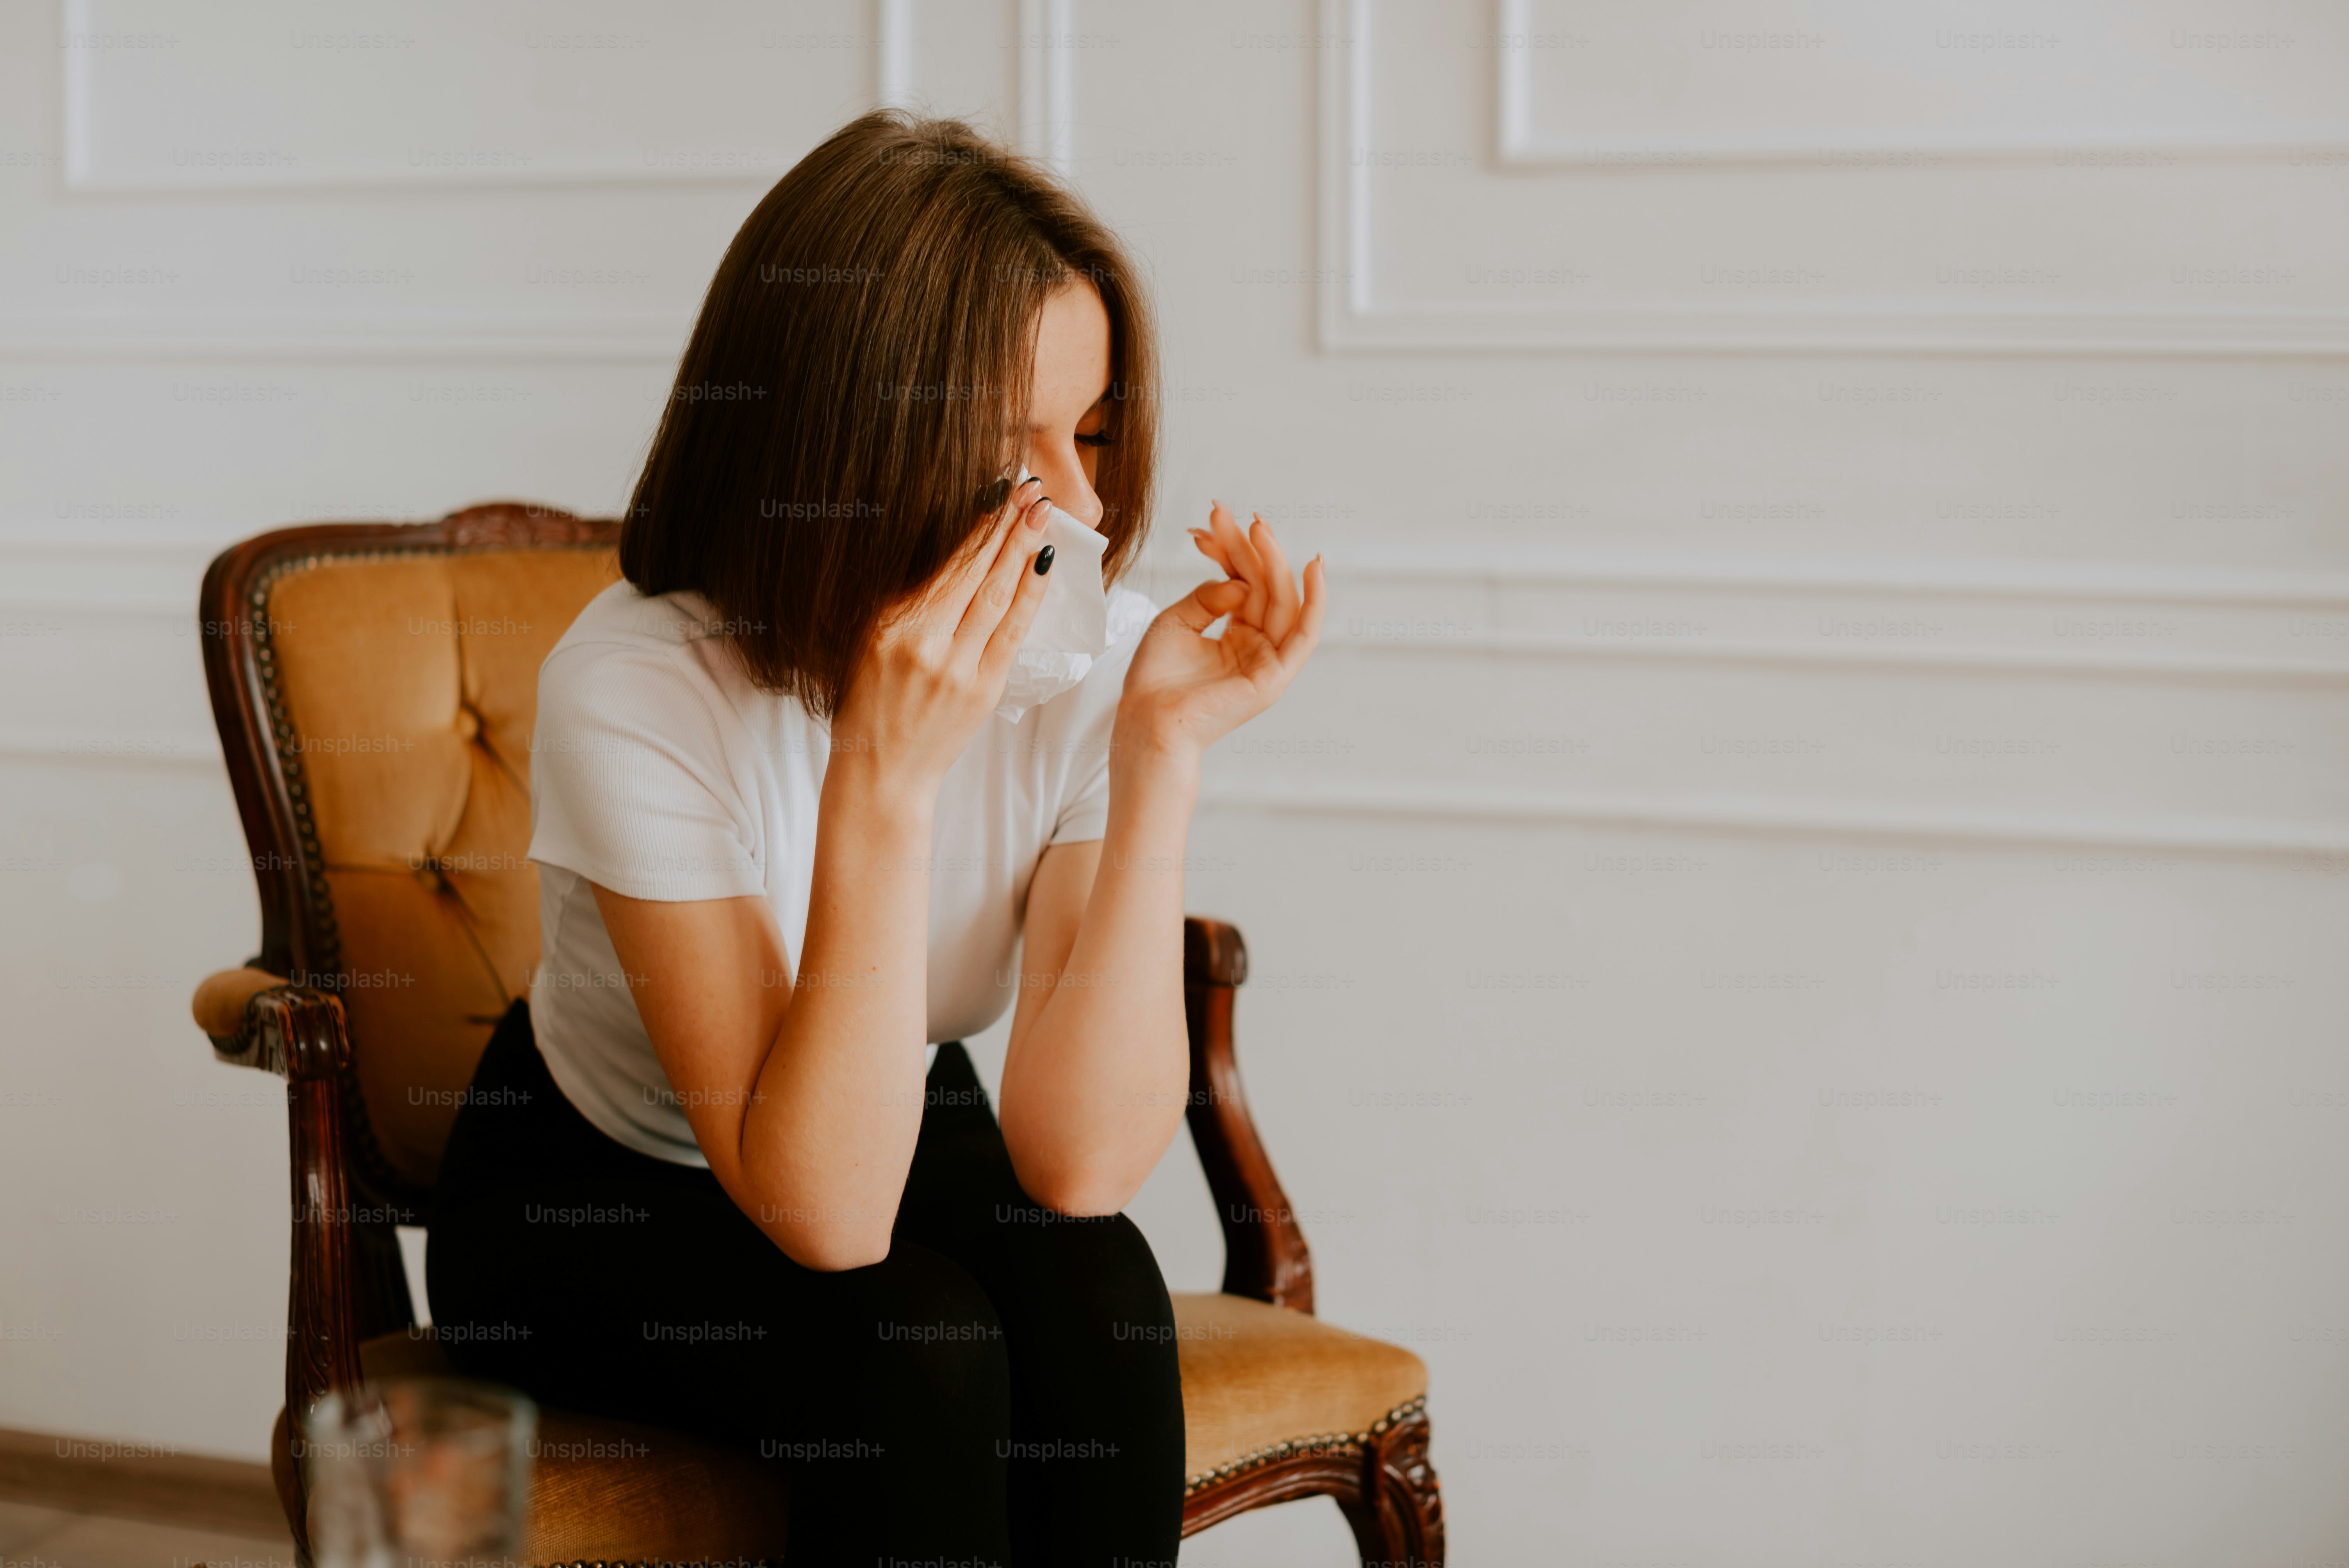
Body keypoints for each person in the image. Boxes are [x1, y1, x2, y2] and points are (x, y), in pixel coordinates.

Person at [425, 109, 1324, 1566]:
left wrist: (1159, 752)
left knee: (1100, 1296)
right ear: (841, 434)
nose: (1083, 507)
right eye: (1008, 444)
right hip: (588, 1182)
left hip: (884, 1102)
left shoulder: (1083, 656)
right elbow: (832, 1222)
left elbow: (1083, 1166)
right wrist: (885, 784)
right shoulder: (640, 684)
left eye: (1088, 436)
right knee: (917, 1351)